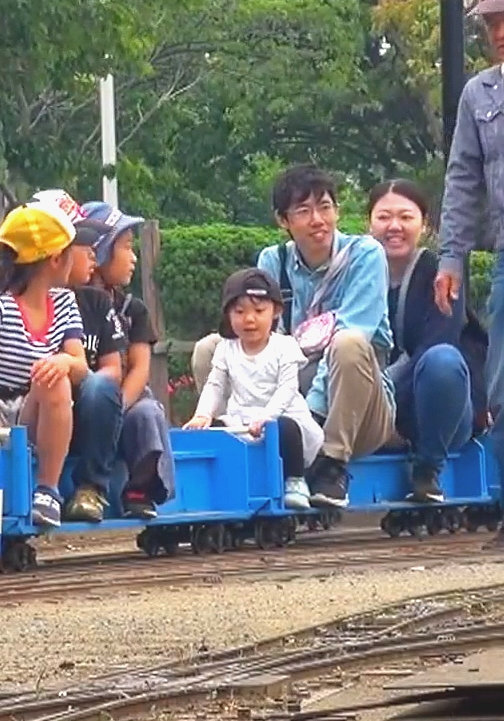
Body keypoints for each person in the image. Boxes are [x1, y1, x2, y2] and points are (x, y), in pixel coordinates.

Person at [192, 164, 395, 509]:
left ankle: (331, 464)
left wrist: (309, 420)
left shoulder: (365, 255)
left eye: (325, 207)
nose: (318, 219)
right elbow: (267, 343)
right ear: (282, 220)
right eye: (303, 211)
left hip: (357, 407)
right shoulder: (273, 261)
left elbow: (352, 333)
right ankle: (247, 449)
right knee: (210, 349)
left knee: (348, 344)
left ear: (337, 211)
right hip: (290, 404)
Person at [0, 201, 94, 527]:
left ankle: (47, 489)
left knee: (57, 378)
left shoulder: (64, 303)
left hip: (32, 404)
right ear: (55, 258)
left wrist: (63, 361)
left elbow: (81, 365)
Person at [370, 179, 487, 502]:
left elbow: (437, 346)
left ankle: (428, 468)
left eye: (406, 217)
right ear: (369, 223)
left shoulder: (443, 275)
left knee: (442, 360)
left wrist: (380, 397)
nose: (394, 226)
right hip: (375, 412)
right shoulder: (358, 273)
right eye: (384, 217)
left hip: (439, 413)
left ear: (425, 225)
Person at [437, 1, 504, 513]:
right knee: (500, 380)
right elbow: (462, 178)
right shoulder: (478, 93)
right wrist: (451, 257)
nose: (497, 32)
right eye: (489, 23)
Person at [184, 269, 324, 510]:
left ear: (276, 311)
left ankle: (295, 480)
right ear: (228, 314)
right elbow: (215, 383)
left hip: (281, 418)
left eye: (259, 311)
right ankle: (227, 482)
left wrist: (267, 417)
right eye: (239, 312)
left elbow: (287, 388)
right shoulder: (227, 348)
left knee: (286, 428)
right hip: (243, 420)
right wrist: (203, 414)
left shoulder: (285, 346)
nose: (249, 319)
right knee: (213, 430)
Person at [31, 189, 125, 522]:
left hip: (83, 410)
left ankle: (91, 487)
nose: (92, 257)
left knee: (100, 386)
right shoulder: (5, 301)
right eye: (82, 248)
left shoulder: (88, 302)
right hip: (29, 411)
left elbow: (107, 370)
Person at [80, 201, 176, 519]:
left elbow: (140, 369)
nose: (133, 258)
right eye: (125, 247)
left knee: (148, 412)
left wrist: (116, 409)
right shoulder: (67, 303)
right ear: (99, 251)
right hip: (80, 404)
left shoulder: (132, 310)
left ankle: (140, 488)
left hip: (125, 401)